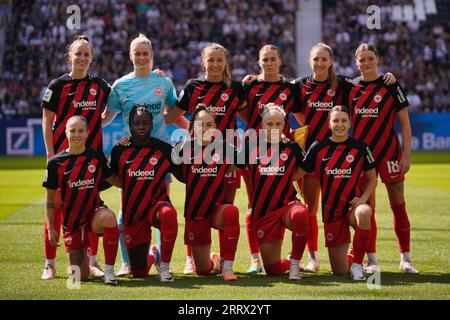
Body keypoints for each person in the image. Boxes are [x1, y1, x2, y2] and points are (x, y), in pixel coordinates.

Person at [290, 43, 396, 273]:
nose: (320, 64)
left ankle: (370, 259)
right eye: (316, 59)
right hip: (312, 155)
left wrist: (387, 77)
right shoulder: (300, 85)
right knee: (310, 208)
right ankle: (313, 258)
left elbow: (367, 83)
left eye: (324, 59)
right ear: (310, 61)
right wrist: (251, 79)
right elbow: (295, 109)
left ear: (331, 62)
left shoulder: (344, 84)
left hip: (341, 158)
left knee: (363, 207)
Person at [102, 33, 182, 277]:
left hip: (159, 158)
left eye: (145, 53)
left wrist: (195, 132)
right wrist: (82, 131)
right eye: (137, 53)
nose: (141, 57)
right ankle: (128, 262)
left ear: (152, 56)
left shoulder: (163, 83)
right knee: (125, 212)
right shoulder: (120, 86)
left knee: (163, 208)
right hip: (130, 160)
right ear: (130, 56)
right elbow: (106, 117)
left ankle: (160, 257)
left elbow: (173, 112)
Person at [169, 43, 247, 274]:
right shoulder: (193, 87)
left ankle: (225, 261)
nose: (215, 64)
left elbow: (250, 116)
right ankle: (191, 258)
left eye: (219, 60)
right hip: (197, 162)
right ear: (203, 62)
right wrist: (193, 136)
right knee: (195, 205)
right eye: (210, 60)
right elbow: (173, 116)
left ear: (225, 63)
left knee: (227, 208)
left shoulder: (235, 88)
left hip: (227, 162)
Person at [41, 35, 111, 280]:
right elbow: (47, 120)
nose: (82, 58)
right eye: (78, 54)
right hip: (63, 161)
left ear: (91, 59)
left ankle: (92, 261)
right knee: (55, 208)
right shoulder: (57, 86)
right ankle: (49, 264)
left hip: (91, 162)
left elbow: (114, 106)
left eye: (86, 55)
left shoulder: (100, 85)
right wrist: (51, 155)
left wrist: (101, 123)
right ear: (69, 57)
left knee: (91, 210)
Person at [349, 43, 417, 273]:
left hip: (389, 154)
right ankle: (372, 260)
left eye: (370, 58)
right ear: (356, 62)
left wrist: (406, 156)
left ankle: (405, 259)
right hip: (362, 159)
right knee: (367, 209)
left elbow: (405, 123)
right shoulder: (351, 87)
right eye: (362, 59)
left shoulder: (390, 85)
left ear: (377, 60)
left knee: (398, 206)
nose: (366, 63)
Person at [240, 44, 303, 273]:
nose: (268, 63)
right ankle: (255, 259)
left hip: (282, 155)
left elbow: (300, 117)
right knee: (252, 204)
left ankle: (303, 257)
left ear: (279, 61)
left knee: (289, 202)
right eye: (264, 59)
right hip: (255, 154)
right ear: (259, 62)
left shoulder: (290, 89)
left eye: (272, 58)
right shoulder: (250, 86)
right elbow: (246, 115)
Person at [297, 106, 377, 280]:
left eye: (344, 120)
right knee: (340, 271)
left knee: (365, 212)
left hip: (352, 207)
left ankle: (357, 265)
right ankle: (351, 257)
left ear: (349, 123)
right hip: (331, 212)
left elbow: (373, 179)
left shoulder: (360, 148)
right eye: (335, 120)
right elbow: (297, 173)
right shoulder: (318, 148)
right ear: (329, 123)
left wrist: (362, 199)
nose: (340, 124)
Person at [42, 115, 121, 285]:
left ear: (87, 133)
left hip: (93, 215)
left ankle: (109, 272)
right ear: (65, 133)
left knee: (109, 217)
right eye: (73, 131)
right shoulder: (56, 163)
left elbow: (114, 179)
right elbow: (50, 199)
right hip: (72, 224)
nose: (76, 134)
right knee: (79, 276)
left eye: (80, 131)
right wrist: (50, 227)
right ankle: (81, 253)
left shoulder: (96, 157)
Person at [236, 103, 309, 280]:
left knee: (300, 214)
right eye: (270, 124)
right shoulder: (251, 146)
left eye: (278, 124)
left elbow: (307, 165)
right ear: (262, 125)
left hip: (287, 206)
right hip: (265, 214)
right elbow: (234, 163)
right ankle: (287, 263)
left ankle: (294, 265)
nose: (274, 128)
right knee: (273, 270)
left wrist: (290, 177)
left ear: (284, 124)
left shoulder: (291, 147)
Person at [172, 104, 240, 281]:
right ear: (192, 126)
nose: (205, 129)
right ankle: (215, 261)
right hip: (196, 212)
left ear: (215, 127)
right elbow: (179, 174)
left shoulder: (227, 148)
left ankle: (227, 267)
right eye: (201, 125)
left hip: (217, 209)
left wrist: (282, 139)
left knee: (231, 211)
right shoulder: (181, 149)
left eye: (209, 124)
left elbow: (252, 159)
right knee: (203, 271)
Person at [110, 106, 178, 282]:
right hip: (133, 214)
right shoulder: (119, 150)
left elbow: (184, 173)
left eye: (145, 123)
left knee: (168, 213)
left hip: (155, 206)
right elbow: (109, 177)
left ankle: (164, 266)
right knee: (139, 273)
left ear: (152, 124)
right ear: (130, 125)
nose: (141, 127)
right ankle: (153, 255)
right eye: (137, 123)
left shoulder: (163, 149)